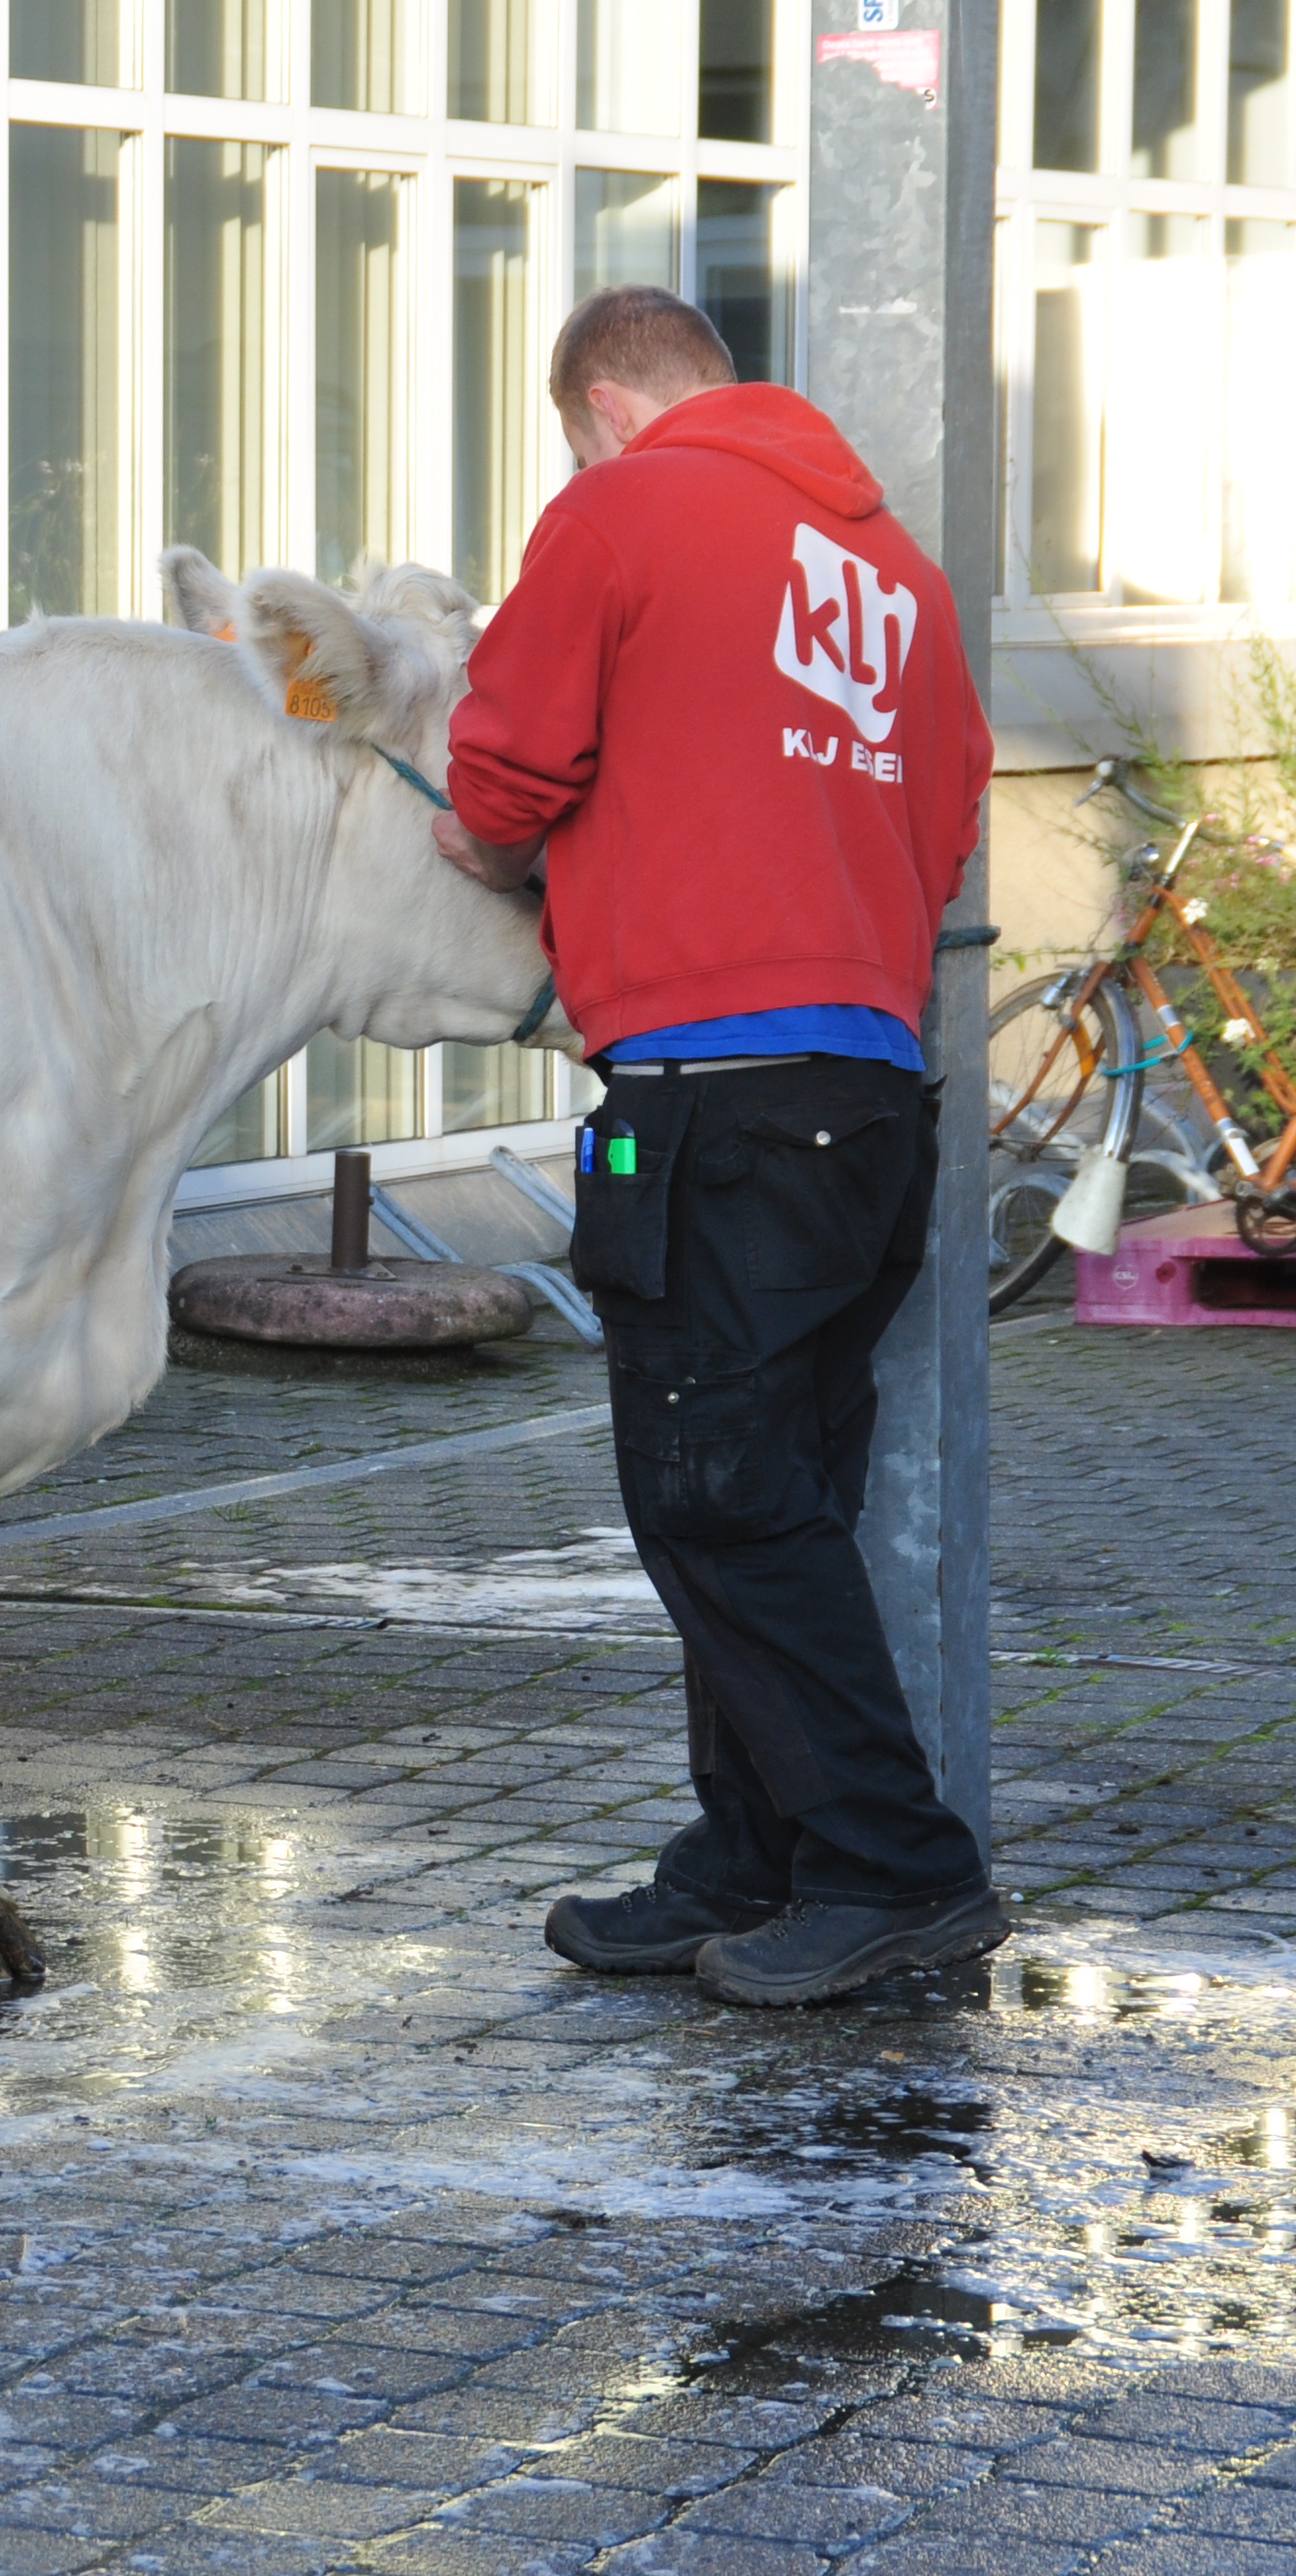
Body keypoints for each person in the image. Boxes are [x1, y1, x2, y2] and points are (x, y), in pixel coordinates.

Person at [433, 285, 1006, 2009]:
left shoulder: (617, 508)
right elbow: (950, 802)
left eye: (569, 436)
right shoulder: (890, 572)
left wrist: (519, 835)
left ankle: (891, 1870)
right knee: (777, 1489)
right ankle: (747, 1855)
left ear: (604, 404)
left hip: (708, 1096)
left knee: (715, 1494)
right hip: (866, 1101)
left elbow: (498, 781)